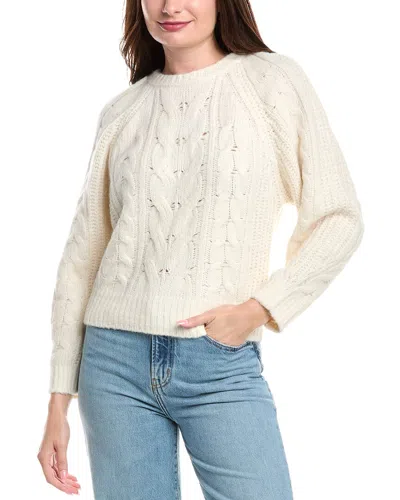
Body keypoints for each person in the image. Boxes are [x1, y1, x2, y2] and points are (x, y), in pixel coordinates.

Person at [37, 0, 364, 498]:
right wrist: (58, 401)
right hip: (112, 365)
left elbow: (338, 217)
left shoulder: (272, 82)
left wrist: (258, 310)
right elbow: (82, 259)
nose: (170, 6)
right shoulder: (122, 111)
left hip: (219, 361)